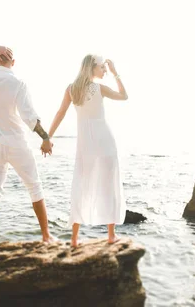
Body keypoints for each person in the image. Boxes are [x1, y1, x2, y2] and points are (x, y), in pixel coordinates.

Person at [0, 45, 55, 254]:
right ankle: (46, 236)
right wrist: (46, 137)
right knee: (34, 187)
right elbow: (29, 117)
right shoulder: (18, 84)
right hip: (17, 144)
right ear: (13, 63)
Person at [47, 55, 128, 247]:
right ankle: (111, 235)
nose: (105, 70)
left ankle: (74, 239)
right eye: (103, 67)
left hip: (86, 142)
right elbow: (124, 96)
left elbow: (60, 113)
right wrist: (117, 73)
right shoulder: (100, 89)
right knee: (109, 184)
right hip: (104, 140)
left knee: (81, 185)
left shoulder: (71, 88)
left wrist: (48, 136)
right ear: (92, 68)